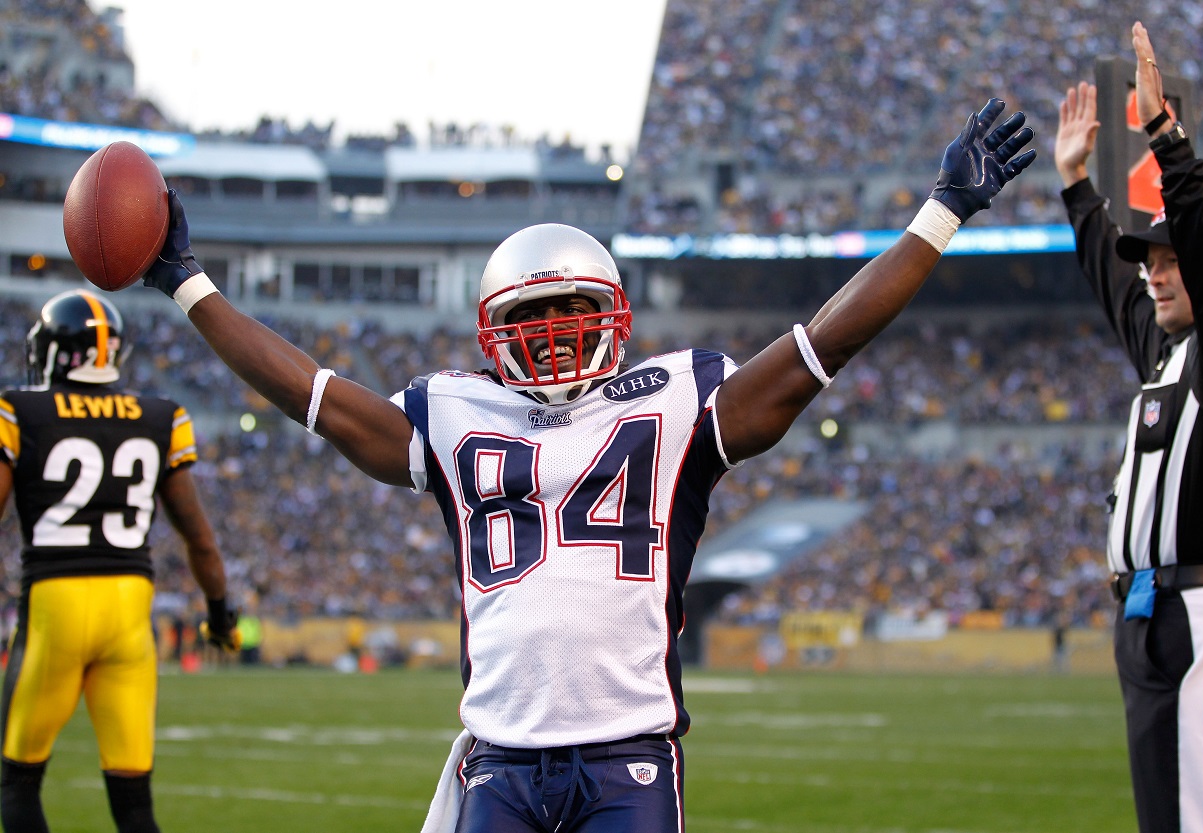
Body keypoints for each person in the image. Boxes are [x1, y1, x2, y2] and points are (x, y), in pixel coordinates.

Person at [137, 97, 1034, 832]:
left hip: (628, 758)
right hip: (497, 760)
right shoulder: (453, 413)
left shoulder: (673, 401)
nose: (561, 329)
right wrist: (191, 285)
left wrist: (940, 212)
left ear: (613, 311)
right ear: (494, 331)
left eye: (576, 306)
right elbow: (318, 397)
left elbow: (816, 348)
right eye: (538, 314)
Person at [1054, 22, 1203, 833]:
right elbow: (1115, 276)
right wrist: (1076, 185)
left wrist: (1165, 136)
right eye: (1151, 260)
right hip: (1151, 617)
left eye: (1169, 260)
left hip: (1201, 607)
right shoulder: (1170, 354)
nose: (1153, 272)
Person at [0, 289, 242, 833]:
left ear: (54, 352)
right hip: (130, 612)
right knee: (134, 803)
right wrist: (221, 616)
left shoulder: (19, 410)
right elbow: (199, 539)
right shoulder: (160, 416)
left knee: (18, 782)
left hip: (55, 605)